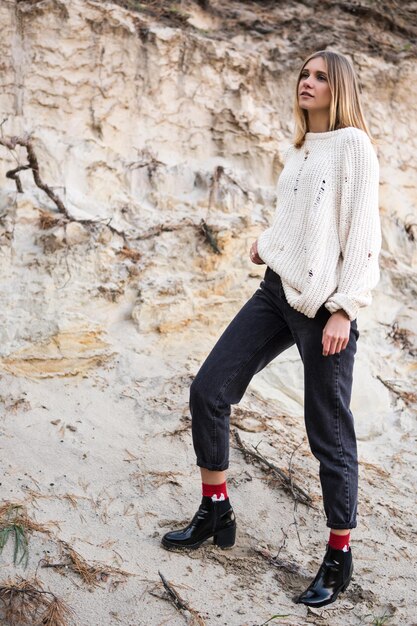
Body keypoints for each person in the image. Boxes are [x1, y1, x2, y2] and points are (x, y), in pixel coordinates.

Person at [161, 49, 381, 609]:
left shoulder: (354, 147)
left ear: (341, 89)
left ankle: (339, 552)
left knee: (327, 434)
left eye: (320, 77)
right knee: (209, 390)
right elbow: (298, 219)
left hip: (324, 310)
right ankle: (216, 509)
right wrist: (269, 243)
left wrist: (345, 309)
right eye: (304, 74)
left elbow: (361, 235)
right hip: (276, 293)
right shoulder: (303, 147)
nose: (306, 83)